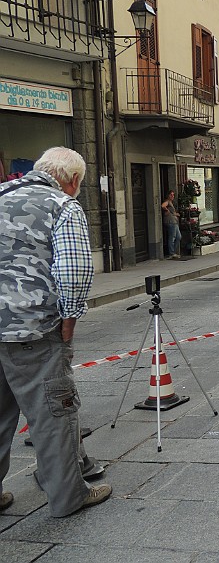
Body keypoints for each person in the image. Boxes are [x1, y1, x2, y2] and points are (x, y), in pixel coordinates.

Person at [0, 146, 112, 517]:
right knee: (52, 414)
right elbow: (74, 269)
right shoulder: (62, 205)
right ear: (74, 179)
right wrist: (70, 317)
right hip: (34, 329)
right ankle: (68, 496)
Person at [161, 190, 181, 259]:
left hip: (174, 221)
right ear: (168, 195)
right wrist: (167, 210)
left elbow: (172, 212)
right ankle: (171, 253)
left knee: (178, 237)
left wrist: (176, 214)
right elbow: (163, 205)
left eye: (173, 195)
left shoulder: (172, 203)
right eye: (171, 195)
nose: (172, 196)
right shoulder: (167, 201)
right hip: (170, 222)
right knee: (172, 237)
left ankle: (173, 252)